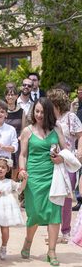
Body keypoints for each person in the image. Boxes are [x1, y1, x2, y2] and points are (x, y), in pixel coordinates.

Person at [17, 98, 66, 266]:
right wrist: (22, 170)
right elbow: (22, 154)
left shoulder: (57, 129)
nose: (39, 115)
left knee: (54, 213)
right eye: (36, 111)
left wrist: (61, 158)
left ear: (48, 113)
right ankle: (28, 241)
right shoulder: (27, 131)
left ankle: (51, 251)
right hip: (34, 177)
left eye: (42, 112)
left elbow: (65, 151)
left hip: (53, 176)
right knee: (35, 212)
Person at [48, 88, 82, 243]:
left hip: (68, 160)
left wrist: (79, 152)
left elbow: (80, 135)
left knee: (67, 197)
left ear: (57, 103)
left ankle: (66, 231)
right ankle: (52, 230)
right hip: (52, 162)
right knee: (53, 195)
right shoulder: (50, 119)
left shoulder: (71, 117)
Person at [4, 87, 26, 178]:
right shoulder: (2, 111)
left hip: (17, 141)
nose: (10, 97)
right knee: (3, 164)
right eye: (8, 94)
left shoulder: (21, 111)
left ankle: (14, 187)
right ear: (5, 97)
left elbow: (23, 128)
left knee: (15, 166)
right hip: (5, 140)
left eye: (12, 94)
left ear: (17, 96)